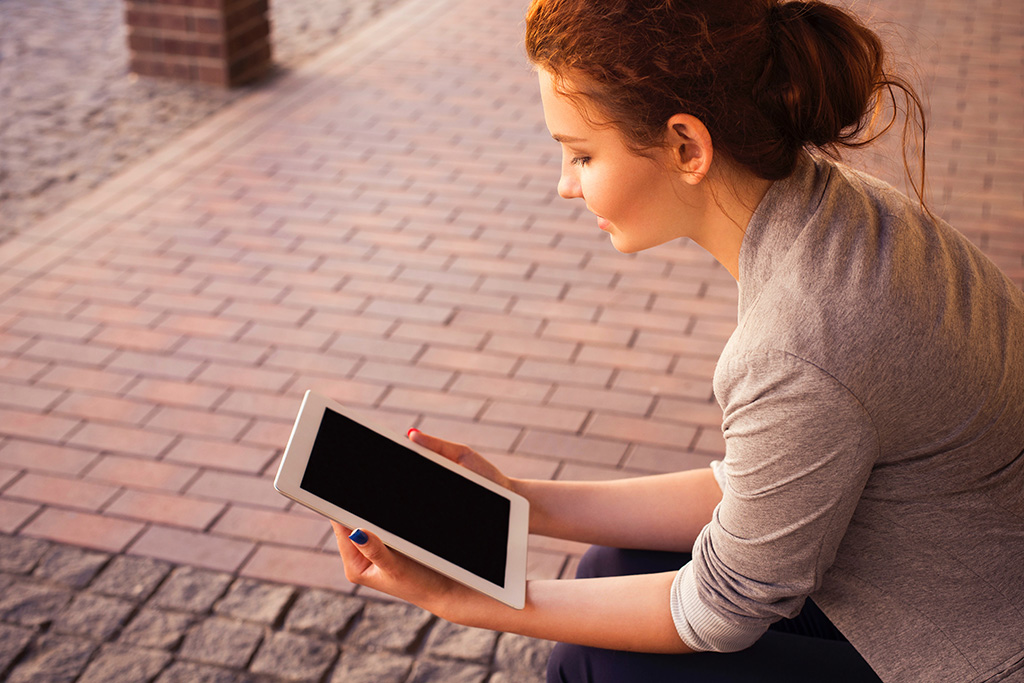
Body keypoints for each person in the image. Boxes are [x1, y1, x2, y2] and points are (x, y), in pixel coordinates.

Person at [330, 0, 1024, 681]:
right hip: (935, 585)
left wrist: (467, 600)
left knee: (594, 662)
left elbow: (724, 608)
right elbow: (764, 479)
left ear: (687, 146)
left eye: (580, 155)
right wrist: (519, 501)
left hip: (970, 650)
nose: (565, 187)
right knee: (612, 563)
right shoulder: (837, 210)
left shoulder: (798, 341)